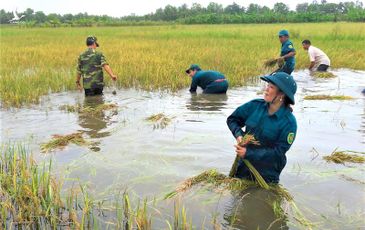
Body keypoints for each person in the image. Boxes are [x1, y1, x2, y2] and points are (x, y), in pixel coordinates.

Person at [226, 72, 297, 183]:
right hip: (243, 168)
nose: (266, 89)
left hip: (266, 175)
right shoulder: (254, 106)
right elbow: (232, 120)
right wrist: (239, 135)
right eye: (267, 85)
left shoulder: (289, 123)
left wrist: (248, 153)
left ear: (281, 94)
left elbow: (278, 153)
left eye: (271, 87)